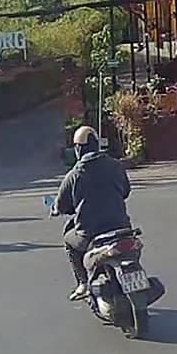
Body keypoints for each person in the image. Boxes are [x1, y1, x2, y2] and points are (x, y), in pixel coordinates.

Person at [53, 126, 131, 301]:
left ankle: (83, 283)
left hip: (90, 234)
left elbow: (62, 206)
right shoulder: (116, 166)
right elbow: (126, 191)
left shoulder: (74, 175)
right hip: (122, 228)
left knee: (69, 239)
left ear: (78, 149)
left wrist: (56, 209)